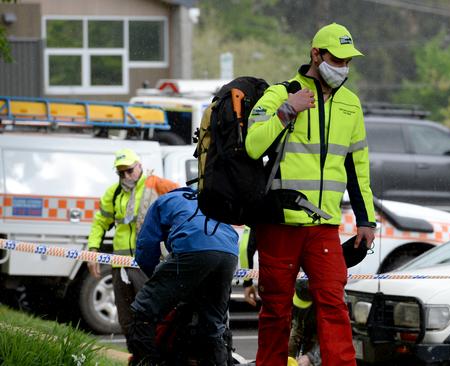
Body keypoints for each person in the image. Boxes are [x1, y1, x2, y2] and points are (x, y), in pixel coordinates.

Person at [244, 23, 376, 366]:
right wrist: (287, 110)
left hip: (324, 226)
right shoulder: (279, 93)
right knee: (276, 309)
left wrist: (366, 220)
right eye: (337, 59)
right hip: (280, 223)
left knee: (333, 304)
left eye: (349, 61)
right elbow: (252, 146)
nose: (344, 67)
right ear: (315, 54)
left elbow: (356, 167)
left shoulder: (351, 104)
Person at [127, 187, 239, 365]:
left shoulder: (162, 201)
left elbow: (146, 246)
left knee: (143, 310)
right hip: (229, 254)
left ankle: (148, 362)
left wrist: (158, 281)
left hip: (194, 247)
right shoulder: (207, 198)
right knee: (213, 326)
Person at [87, 148, 177, 337]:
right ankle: (136, 355)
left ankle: (154, 356)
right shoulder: (114, 192)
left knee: (151, 312)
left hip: (146, 262)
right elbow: (100, 223)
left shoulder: (155, 186)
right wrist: (93, 249)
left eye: (129, 170)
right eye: (121, 173)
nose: (126, 176)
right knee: (126, 318)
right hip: (120, 263)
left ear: (139, 166)